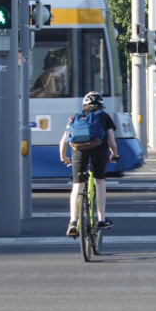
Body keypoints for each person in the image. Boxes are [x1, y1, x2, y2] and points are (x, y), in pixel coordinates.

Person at [59, 91, 120, 237]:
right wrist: (114, 154)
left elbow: (63, 142)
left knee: (77, 186)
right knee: (99, 182)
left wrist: (64, 158)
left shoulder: (75, 117)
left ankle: (73, 221)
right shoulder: (104, 116)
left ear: (84, 105)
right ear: (101, 105)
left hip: (78, 150)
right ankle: (101, 219)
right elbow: (111, 142)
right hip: (99, 150)